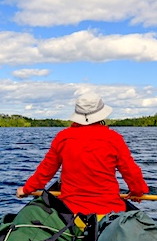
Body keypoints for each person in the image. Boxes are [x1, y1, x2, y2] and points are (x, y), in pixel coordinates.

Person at [16, 92, 148, 216]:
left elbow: (46, 170)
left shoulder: (63, 138)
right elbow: (131, 172)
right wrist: (137, 191)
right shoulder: (113, 138)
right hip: (109, 210)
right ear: (101, 115)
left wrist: (26, 189)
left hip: (71, 211)